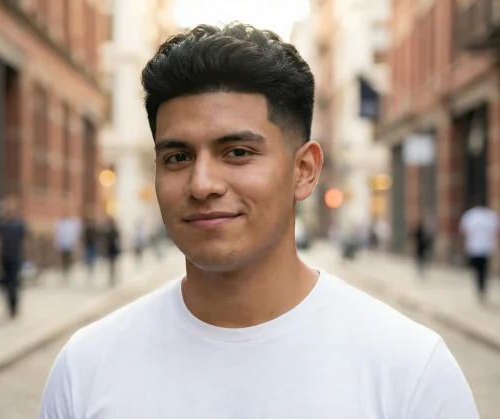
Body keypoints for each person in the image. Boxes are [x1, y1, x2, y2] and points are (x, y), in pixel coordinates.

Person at [40, 23, 477, 418]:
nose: (202, 184)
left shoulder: (409, 371)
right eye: (177, 157)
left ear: (304, 171)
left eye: (237, 152)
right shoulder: (87, 367)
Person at [459, 195, 500, 303]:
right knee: (484, 269)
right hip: (486, 247)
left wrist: (464, 245)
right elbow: (497, 231)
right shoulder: (491, 215)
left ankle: (479, 287)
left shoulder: (470, 215)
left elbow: (464, 231)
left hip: (474, 247)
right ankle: (482, 287)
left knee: (477, 269)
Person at [0, 195, 28, 319]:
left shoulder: (19, 224)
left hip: (16, 256)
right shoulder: (2, 224)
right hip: (5, 257)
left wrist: (27, 255)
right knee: (5, 282)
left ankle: (14, 306)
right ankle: (9, 304)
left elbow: (25, 240)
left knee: (14, 281)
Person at [54, 208, 82, 283]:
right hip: (63, 244)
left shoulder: (71, 224)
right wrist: (57, 244)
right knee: (63, 259)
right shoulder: (60, 224)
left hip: (69, 244)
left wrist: (75, 244)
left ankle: (68, 272)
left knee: (69, 259)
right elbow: (58, 234)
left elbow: (74, 234)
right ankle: (64, 272)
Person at [101, 217, 120, 287]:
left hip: (113, 248)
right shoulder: (107, 230)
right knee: (111, 263)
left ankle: (113, 275)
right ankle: (111, 275)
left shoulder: (114, 230)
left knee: (113, 263)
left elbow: (117, 238)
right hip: (109, 249)